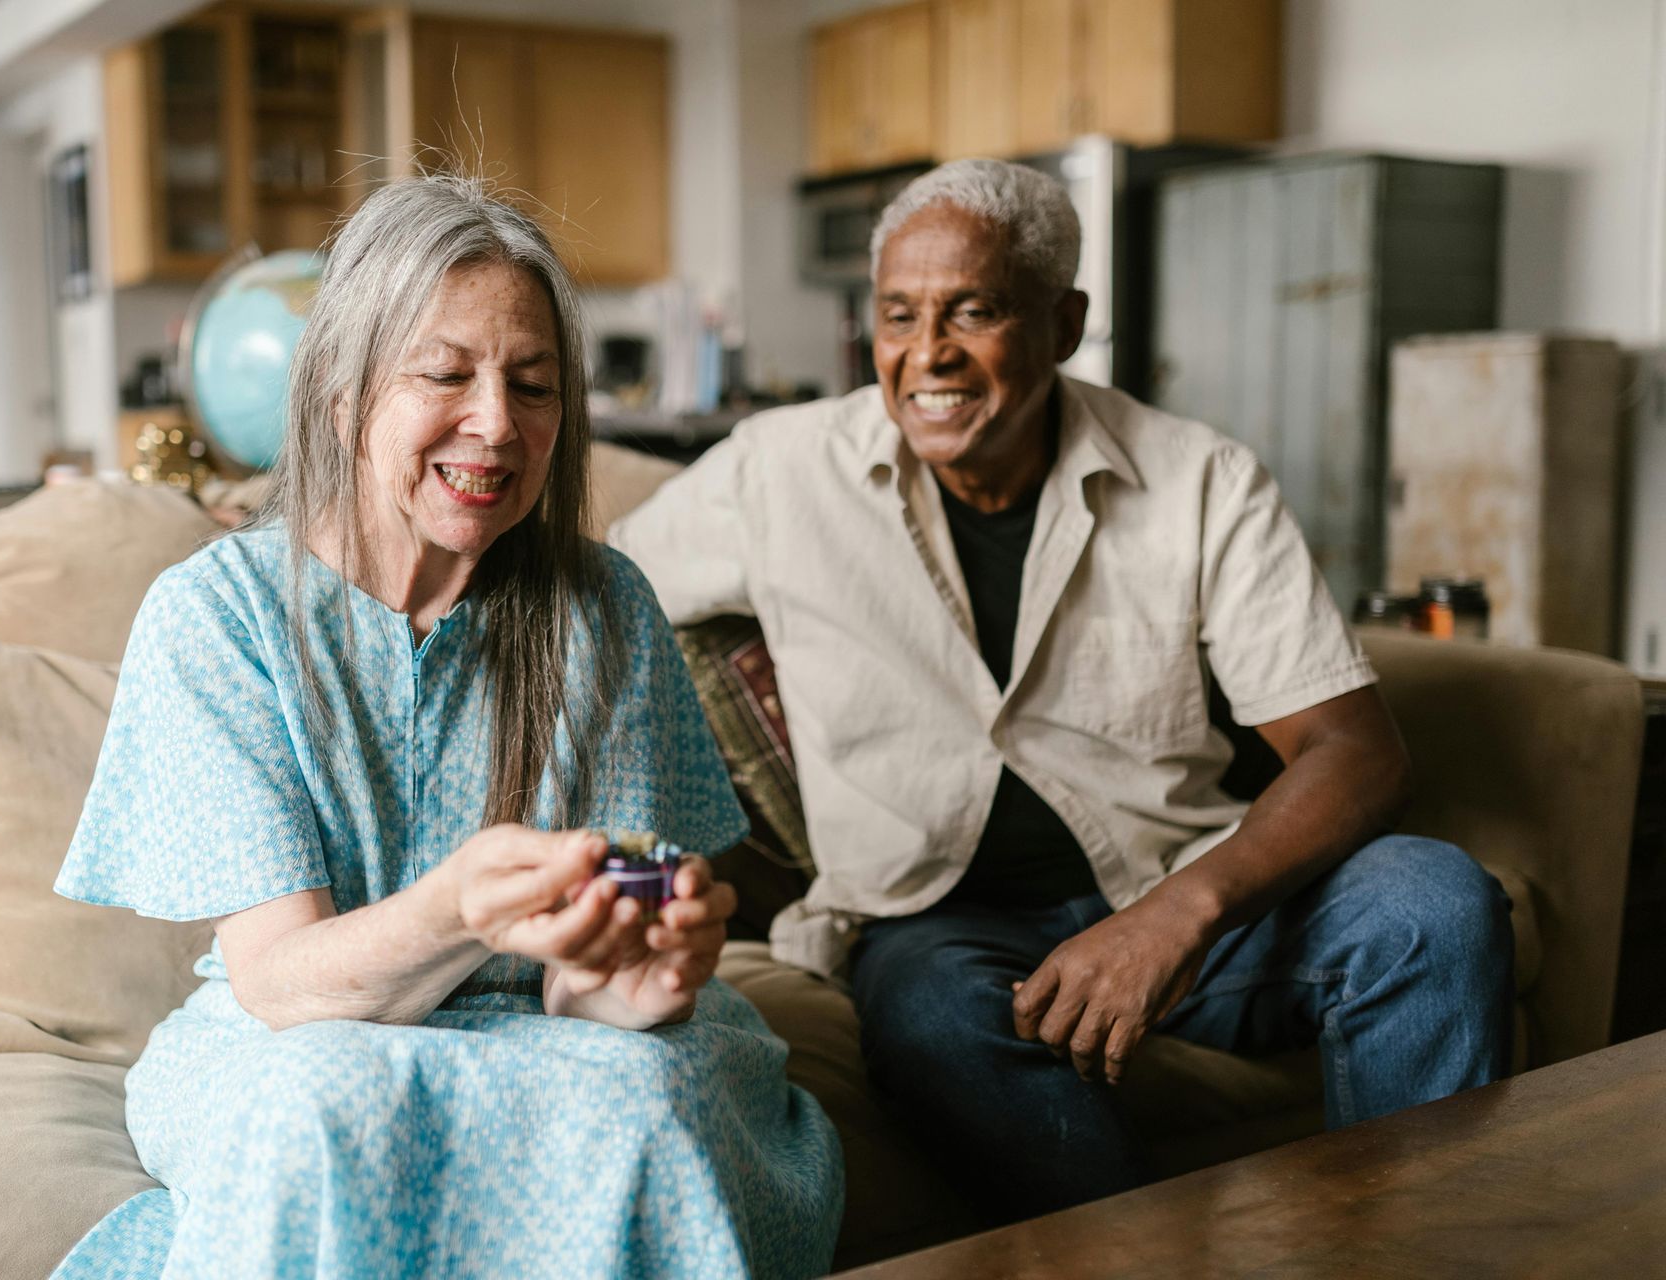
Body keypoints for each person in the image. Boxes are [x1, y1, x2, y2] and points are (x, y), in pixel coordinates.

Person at [610, 158, 1513, 1227]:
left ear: (1066, 320)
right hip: (930, 923)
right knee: (935, 1019)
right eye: (899, 315)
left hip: (1178, 883)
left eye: (975, 310)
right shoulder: (776, 470)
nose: (928, 354)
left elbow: (1359, 752)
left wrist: (1177, 912)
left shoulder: (1199, 481)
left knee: (1433, 903)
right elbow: (587, 600)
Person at [50, 175, 844, 1279]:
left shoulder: (604, 609)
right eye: (445, 374)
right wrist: (457, 906)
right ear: (342, 392)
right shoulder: (216, 618)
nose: (496, 424)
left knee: (650, 1094)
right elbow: (283, 983)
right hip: (302, 1028)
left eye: (533, 385)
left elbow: (585, 986)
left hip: (552, 1035)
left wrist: (642, 976)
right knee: (323, 1101)